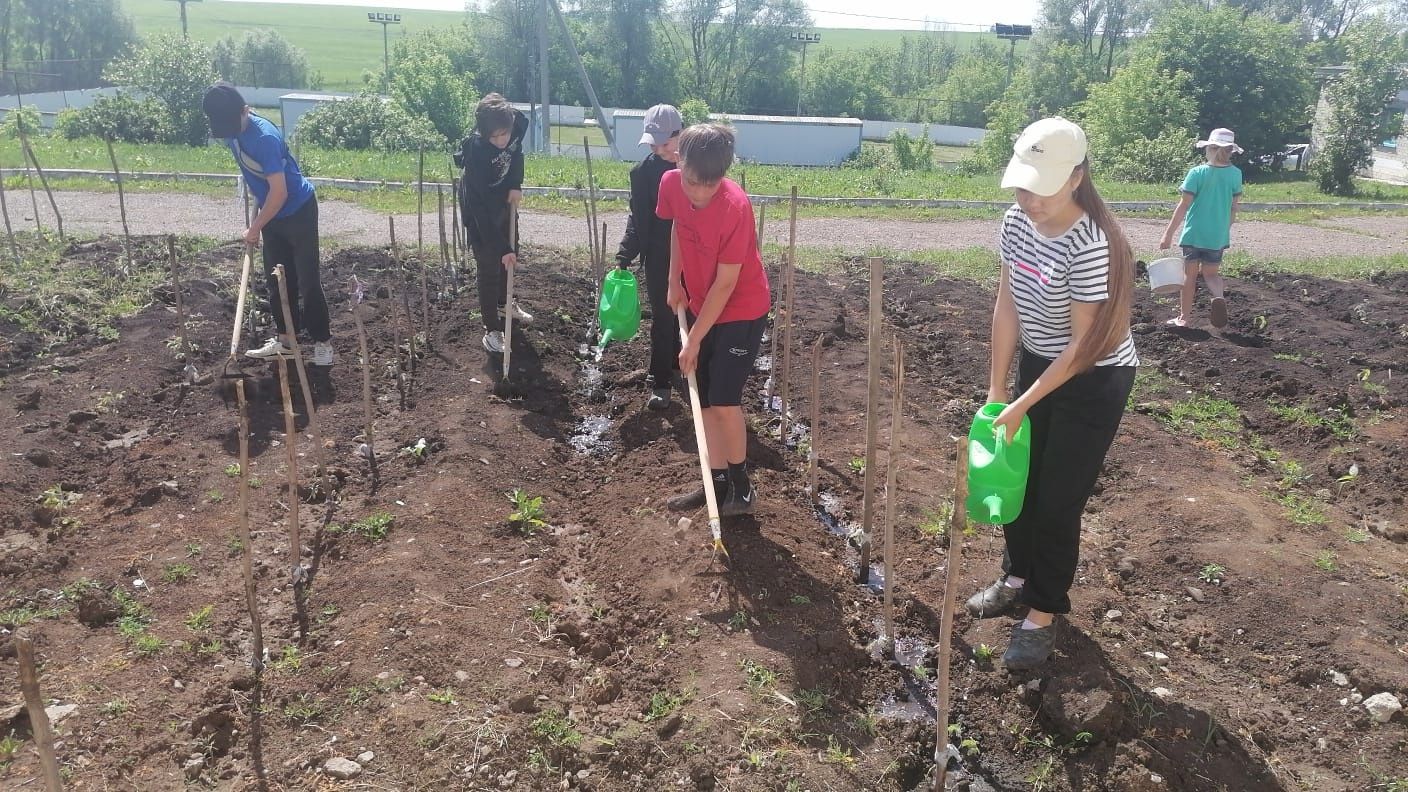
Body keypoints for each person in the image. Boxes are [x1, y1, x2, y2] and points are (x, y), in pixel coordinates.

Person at [965, 117, 1139, 671]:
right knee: (1019, 476)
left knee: (1058, 498)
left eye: (1042, 187)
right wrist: (999, 393)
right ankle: (1017, 577)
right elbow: (1008, 305)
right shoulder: (1016, 223)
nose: (1030, 199)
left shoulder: (1093, 244)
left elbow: (1083, 347)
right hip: (1043, 363)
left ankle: (1043, 611)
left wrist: (1023, 404)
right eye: (1022, 185)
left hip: (1093, 378)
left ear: (1076, 178)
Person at [658, 124, 771, 517]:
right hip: (703, 303)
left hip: (741, 308)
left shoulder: (735, 207)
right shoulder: (671, 185)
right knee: (703, 400)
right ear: (679, 160)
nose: (698, 192)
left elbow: (727, 285)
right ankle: (715, 483)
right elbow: (676, 225)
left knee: (723, 400)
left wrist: (693, 341)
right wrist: (674, 280)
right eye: (692, 182)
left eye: (709, 184)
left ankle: (742, 489)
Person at [202, 82, 332, 366]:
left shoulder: (265, 139)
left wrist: (255, 227)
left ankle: (322, 343)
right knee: (277, 280)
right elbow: (256, 177)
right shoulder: (231, 132)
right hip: (271, 213)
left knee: (307, 281)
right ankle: (286, 341)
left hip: (298, 211)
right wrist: (259, 213)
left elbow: (280, 191)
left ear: (245, 111)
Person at [615, 104, 684, 410]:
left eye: (665, 144)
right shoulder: (643, 174)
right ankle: (660, 381)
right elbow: (637, 217)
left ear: (680, 136)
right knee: (662, 317)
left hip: (694, 254)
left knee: (691, 314)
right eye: (653, 145)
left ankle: (681, 364)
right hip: (659, 256)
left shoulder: (695, 170)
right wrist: (625, 253)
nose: (659, 150)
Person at [457, 92, 532, 355]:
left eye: (505, 134)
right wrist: (501, 247)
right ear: (484, 134)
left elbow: (517, 154)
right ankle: (491, 329)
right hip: (479, 207)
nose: (502, 141)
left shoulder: (517, 126)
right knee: (490, 262)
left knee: (512, 252)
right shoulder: (476, 154)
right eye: (495, 137)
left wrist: (515, 184)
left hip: (502, 196)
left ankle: (505, 303)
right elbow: (481, 213)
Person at [1159, 127, 1244, 329]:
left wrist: (1168, 234)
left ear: (1210, 149)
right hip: (1217, 236)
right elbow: (1234, 208)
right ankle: (1218, 296)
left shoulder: (1197, 173)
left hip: (1194, 234)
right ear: (1230, 150)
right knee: (1211, 274)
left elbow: (1183, 206)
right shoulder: (1235, 174)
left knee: (1189, 277)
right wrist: (1225, 229)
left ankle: (1184, 318)